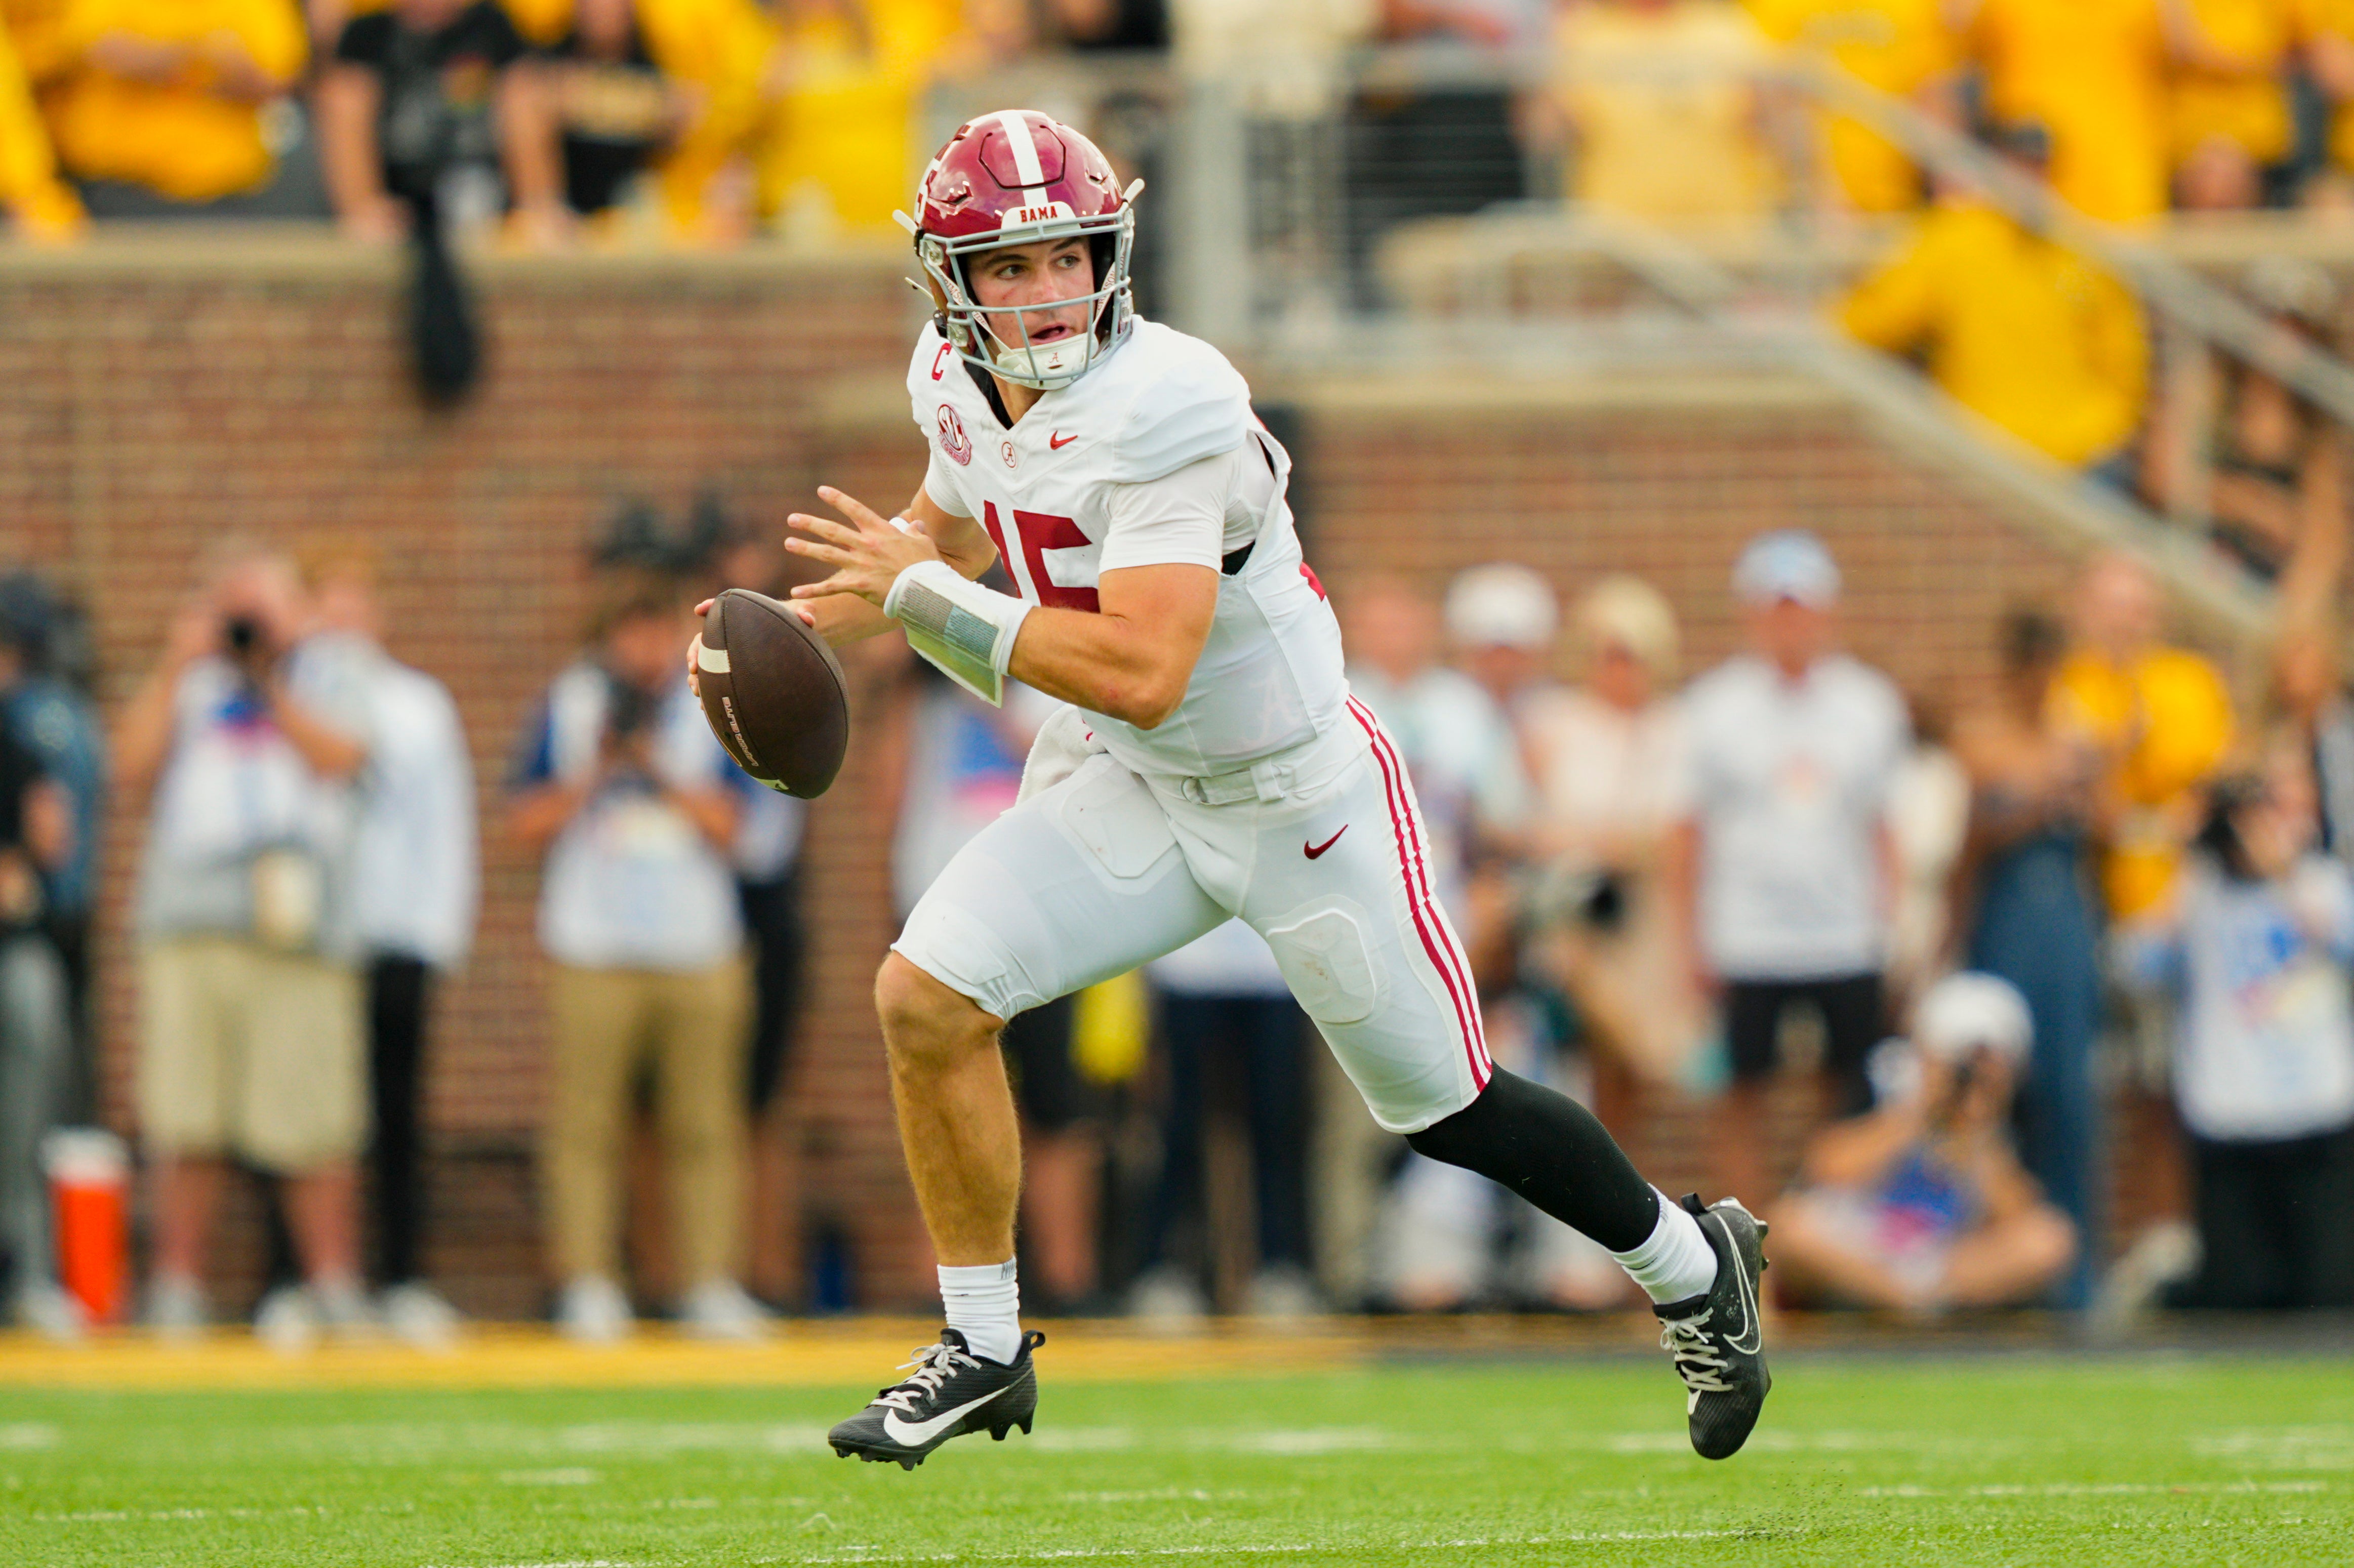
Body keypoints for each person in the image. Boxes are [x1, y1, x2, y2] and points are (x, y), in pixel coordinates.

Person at [698, 110, 1771, 1468]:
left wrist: (925, 597)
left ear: (1114, 249)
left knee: (1447, 1107)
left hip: (1289, 794)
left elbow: (1146, 664)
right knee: (927, 998)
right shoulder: (951, 379)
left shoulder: (1174, 405)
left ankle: (1692, 1268)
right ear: (947, 281)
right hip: (1133, 782)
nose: (1043, 293)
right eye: (1007, 268)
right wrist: (845, 598)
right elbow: (969, 503)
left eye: (1066, 256)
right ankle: (980, 1345)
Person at [114, 548, 374, 1339]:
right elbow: (130, 768)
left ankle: (333, 1285)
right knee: (186, 1116)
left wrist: (268, 677)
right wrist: (175, 666)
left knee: (314, 1123)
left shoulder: (333, 674)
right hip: (193, 925)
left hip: (299, 932)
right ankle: (177, 1288)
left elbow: (343, 756)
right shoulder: (189, 682)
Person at [510, 574, 767, 1343]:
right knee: (585, 1126)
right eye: (630, 635)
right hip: (592, 945)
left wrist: (657, 765)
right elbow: (523, 822)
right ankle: (588, 1282)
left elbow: (738, 827)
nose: (644, 652)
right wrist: (597, 768)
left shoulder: (710, 708)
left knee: (706, 1124)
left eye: (658, 635)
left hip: (699, 947)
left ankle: (711, 1283)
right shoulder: (570, 704)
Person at [1673, 530, 1907, 1210]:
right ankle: (1747, 1241)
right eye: (1775, 607)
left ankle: (1830, 1229)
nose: (1789, 623)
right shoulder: (1713, 705)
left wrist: (1888, 924)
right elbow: (1684, 832)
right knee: (1741, 1091)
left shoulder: (1867, 703)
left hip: (1842, 932)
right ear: (1750, 613)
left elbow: (1884, 825)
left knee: (1844, 1088)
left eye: (1800, 607)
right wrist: (1689, 942)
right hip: (1745, 935)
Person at [880, 657, 1104, 1315]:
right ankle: (941, 1282)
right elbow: (889, 800)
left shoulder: (1052, 692)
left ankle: (1067, 1276)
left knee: (1055, 1104)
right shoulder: (917, 703)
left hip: (1043, 915)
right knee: (938, 1099)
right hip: (941, 918)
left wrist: (992, 695)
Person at [306, 543, 479, 1346]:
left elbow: (446, 823)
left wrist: (442, 925)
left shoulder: (419, 705)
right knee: (311, 1118)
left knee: (398, 1112)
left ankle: (403, 1275)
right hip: (314, 939)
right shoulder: (289, 697)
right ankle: (303, 1278)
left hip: (399, 930)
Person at [2118, 747, 2354, 1309]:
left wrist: (2283, 872)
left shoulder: (2321, 882)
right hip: (2228, 1117)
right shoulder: (2199, 893)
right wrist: (2181, 865)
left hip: (2317, 1113)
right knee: (2237, 1301)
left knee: (2328, 1292)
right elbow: (2133, 967)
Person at [1837, 122, 2149, 476]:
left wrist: (2105, 429)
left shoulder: (2081, 246)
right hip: (1985, 449)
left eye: (2038, 166)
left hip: (2080, 451)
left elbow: (2124, 361)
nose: (2028, 179)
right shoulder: (1955, 238)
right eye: (2018, 165)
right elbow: (1877, 318)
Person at [1950, 608, 2105, 1305]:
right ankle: (1996, 1275)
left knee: (2070, 1100)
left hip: (2063, 929)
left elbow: (2105, 826)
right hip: (2004, 926)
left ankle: (2072, 1276)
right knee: (1998, 1094)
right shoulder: (1981, 738)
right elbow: (1975, 838)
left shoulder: (2076, 739)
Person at [1769, 972, 2077, 1312]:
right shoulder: (1882, 1081)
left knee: (2050, 1241)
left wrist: (1977, 1134)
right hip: (1867, 1245)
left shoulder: (2018, 1109)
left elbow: (2021, 1216)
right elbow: (1826, 1168)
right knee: (1790, 1225)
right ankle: (1908, 1303)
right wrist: (1919, 1113)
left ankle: (1916, 1302)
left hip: (1949, 1257)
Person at [1130, 920, 1319, 1322]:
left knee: (1279, 1125)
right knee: (1178, 1131)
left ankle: (1283, 1267)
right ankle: (1166, 1269)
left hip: (1278, 965)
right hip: (1186, 963)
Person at [316, 0, 567, 246]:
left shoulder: (490, 25)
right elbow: (341, 108)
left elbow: (526, 99)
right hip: (399, 192)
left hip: (479, 180)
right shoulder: (369, 34)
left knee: (525, 91)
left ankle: (539, 209)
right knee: (343, 95)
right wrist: (365, 204)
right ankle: (363, 212)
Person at [39, 0, 311, 215]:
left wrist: (188, 65)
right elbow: (92, 47)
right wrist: (194, 58)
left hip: (228, 192)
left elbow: (278, 80)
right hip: (119, 189)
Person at [0, 573, 105, 1125]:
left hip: (44, 923)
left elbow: (53, 838)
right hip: (59, 919)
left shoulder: (35, 714)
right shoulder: (68, 709)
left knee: (43, 1100)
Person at [1950, 0, 2172, 226]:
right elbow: (1955, 40)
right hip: (2031, 178)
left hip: (2121, 186)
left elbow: (2187, 49)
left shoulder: (2143, 10)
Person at [0, 688, 74, 1338]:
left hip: (14, 954)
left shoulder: (23, 747)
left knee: (25, 1130)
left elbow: (53, 845)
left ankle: (29, 1278)